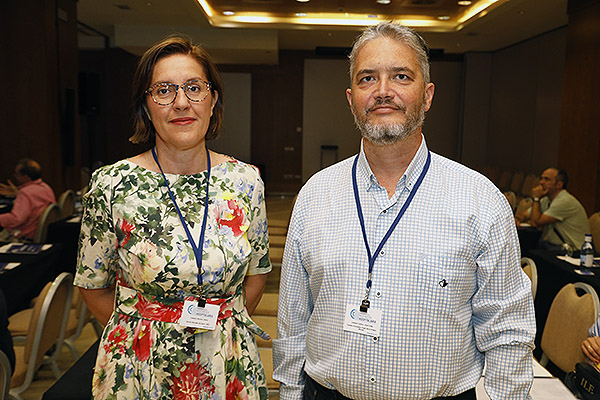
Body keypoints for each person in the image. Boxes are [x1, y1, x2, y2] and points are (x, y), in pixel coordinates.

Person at [273, 22, 536, 400]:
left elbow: (508, 330)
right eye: (367, 78)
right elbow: (293, 320)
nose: (383, 91)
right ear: (351, 99)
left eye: (401, 76)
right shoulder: (315, 195)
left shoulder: (480, 201)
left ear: (427, 96)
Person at [74, 35, 272, 400]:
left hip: (226, 361)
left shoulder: (246, 181)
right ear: (146, 106)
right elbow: (93, 286)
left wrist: (218, 326)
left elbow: (257, 275)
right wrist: (150, 330)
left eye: (194, 88)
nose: (182, 102)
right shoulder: (111, 184)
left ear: (213, 100)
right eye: (164, 91)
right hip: (139, 365)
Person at [527, 167, 590, 250]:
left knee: (530, 249)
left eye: (547, 179)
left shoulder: (564, 201)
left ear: (559, 184)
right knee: (528, 246)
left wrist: (536, 198)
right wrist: (517, 218)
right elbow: (525, 214)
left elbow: (536, 222)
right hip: (554, 245)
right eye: (541, 178)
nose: (541, 182)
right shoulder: (546, 199)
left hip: (572, 250)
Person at [0, 159, 56, 241]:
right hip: (43, 234)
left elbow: (16, 219)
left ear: (26, 176)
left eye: (16, 174)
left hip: (23, 236)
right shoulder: (46, 187)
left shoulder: (25, 193)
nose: (15, 176)